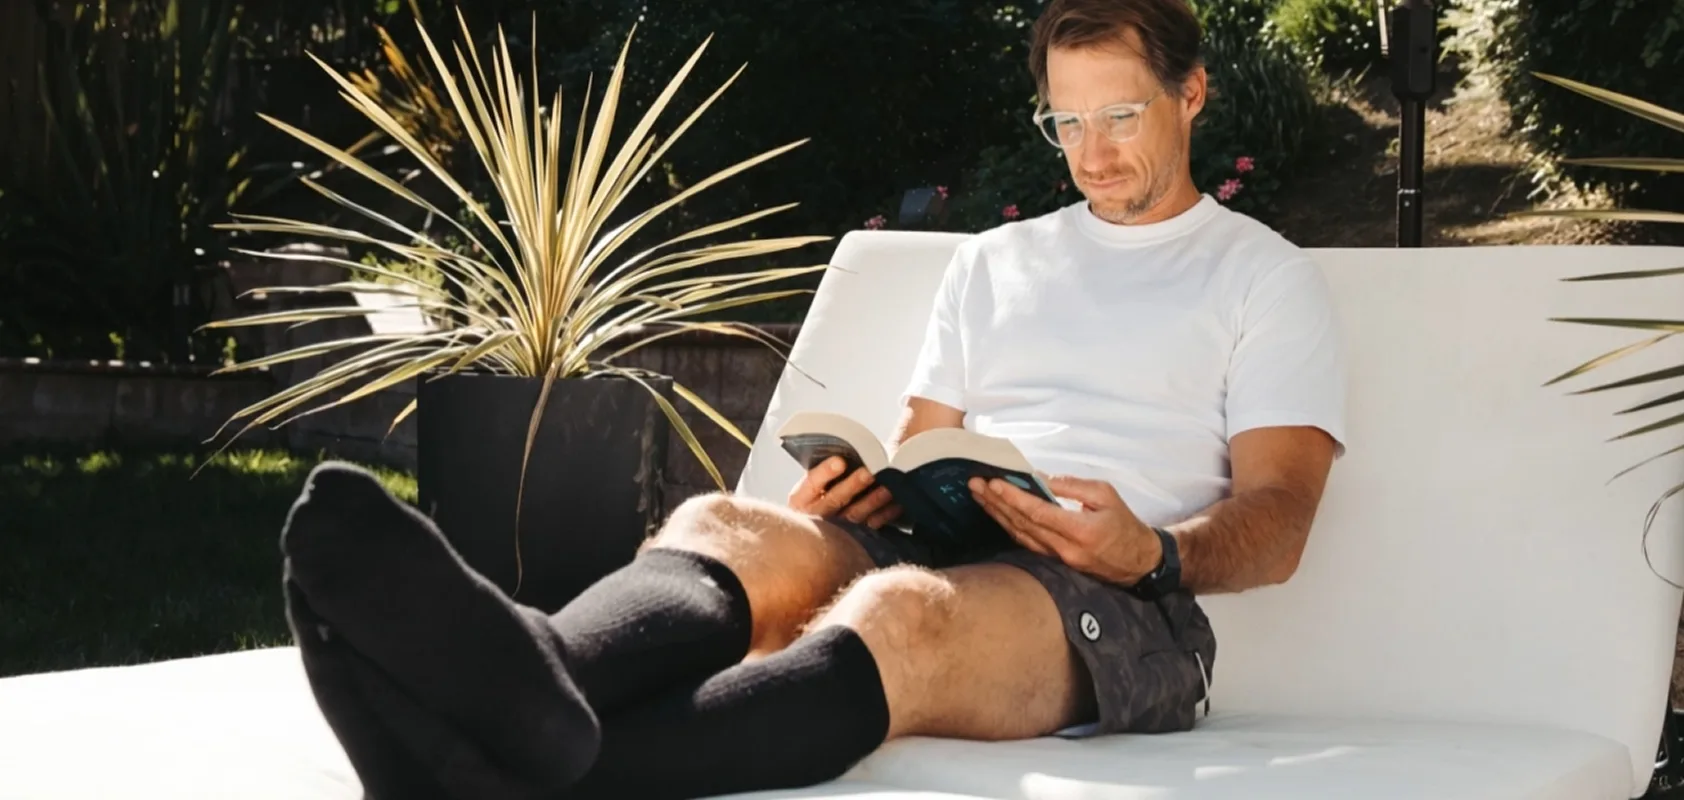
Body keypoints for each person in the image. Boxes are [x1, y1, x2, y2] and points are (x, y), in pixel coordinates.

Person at [276, 0, 1346, 797]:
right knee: (726, 522)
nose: (1091, 154)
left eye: (1117, 115)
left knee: (899, 615)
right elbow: (935, 443)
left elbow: (1280, 520)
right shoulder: (994, 262)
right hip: (957, 543)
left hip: (1118, 606)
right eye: (1062, 123)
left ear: (1191, 92)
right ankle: (524, 690)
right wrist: (878, 489)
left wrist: (1146, 551)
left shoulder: (1260, 274)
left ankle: (494, 753)